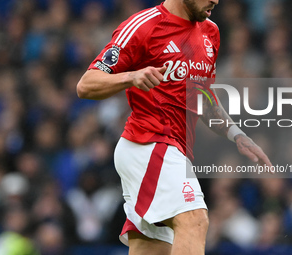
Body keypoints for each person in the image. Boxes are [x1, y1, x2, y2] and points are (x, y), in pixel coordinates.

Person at [77, 0, 272, 254]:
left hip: (174, 151)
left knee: (153, 249)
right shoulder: (143, 26)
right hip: (149, 144)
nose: (216, 0)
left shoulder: (210, 32)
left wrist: (236, 134)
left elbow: (201, 96)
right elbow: (86, 84)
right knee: (195, 218)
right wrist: (130, 76)